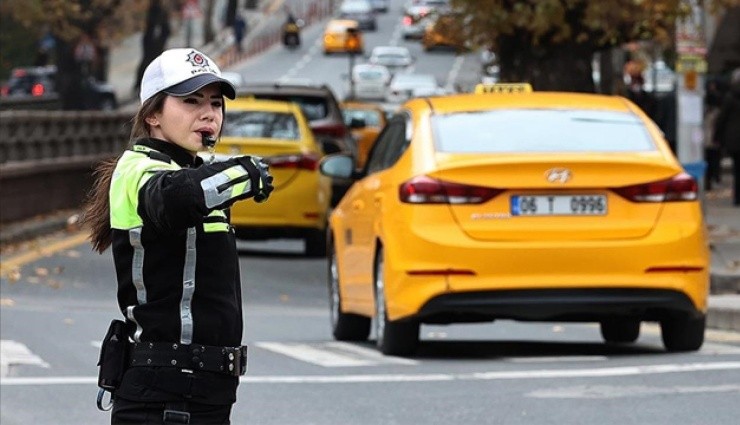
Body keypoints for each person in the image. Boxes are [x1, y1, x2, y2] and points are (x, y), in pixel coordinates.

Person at [84, 48, 273, 424]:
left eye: (216, 104)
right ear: (153, 114)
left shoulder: (196, 169)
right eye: (190, 101)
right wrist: (243, 173)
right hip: (164, 395)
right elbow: (176, 198)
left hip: (207, 393)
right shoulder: (136, 168)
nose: (208, 114)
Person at [713, 68, 740, 206]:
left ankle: (737, 198)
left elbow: (722, 119)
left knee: (737, 169)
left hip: (734, 139)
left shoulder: (730, 97)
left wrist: (717, 137)